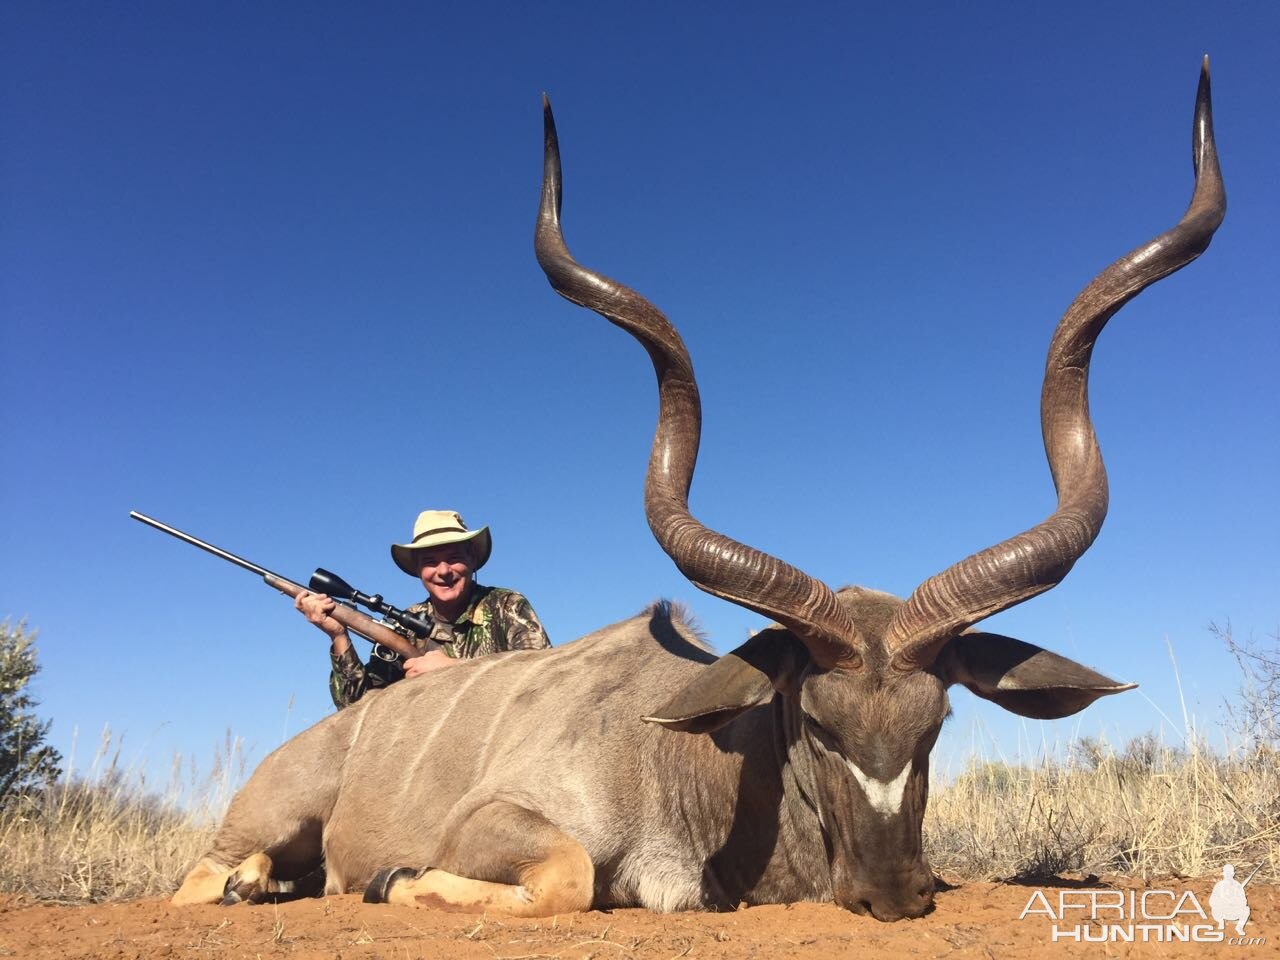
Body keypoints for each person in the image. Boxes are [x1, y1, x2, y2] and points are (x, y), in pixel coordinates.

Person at [295, 510, 550, 709]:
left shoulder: (507, 605)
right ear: (418, 570)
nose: (443, 571)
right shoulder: (404, 626)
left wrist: (454, 670)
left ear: (472, 558)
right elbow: (356, 708)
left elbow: (543, 680)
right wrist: (338, 636)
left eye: (453, 558)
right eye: (430, 562)